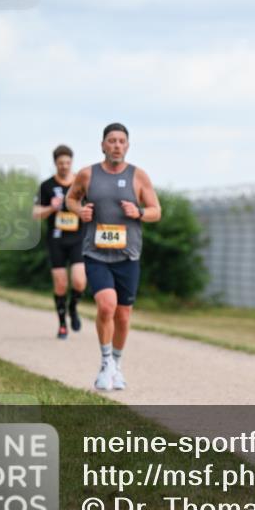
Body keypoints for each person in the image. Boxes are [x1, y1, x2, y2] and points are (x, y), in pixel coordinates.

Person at [66, 123, 161, 391]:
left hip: (128, 255)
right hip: (95, 253)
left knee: (123, 315)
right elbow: (71, 199)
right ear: (102, 145)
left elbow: (156, 210)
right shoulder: (87, 174)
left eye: (121, 141)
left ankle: (117, 365)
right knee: (107, 306)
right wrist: (79, 211)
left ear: (127, 146)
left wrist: (139, 213)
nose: (116, 145)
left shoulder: (138, 176)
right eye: (111, 140)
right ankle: (105, 362)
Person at [33, 145, 87, 339]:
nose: (64, 166)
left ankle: (73, 307)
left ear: (71, 162)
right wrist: (50, 208)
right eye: (60, 163)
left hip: (78, 238)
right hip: (56, 240)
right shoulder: (46, 186)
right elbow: (35, 213)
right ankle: (62, 324)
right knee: (61, 283)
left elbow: (91, 208)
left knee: (80, 281)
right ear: (55, 163)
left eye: (67, 162)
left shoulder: (81, 185)